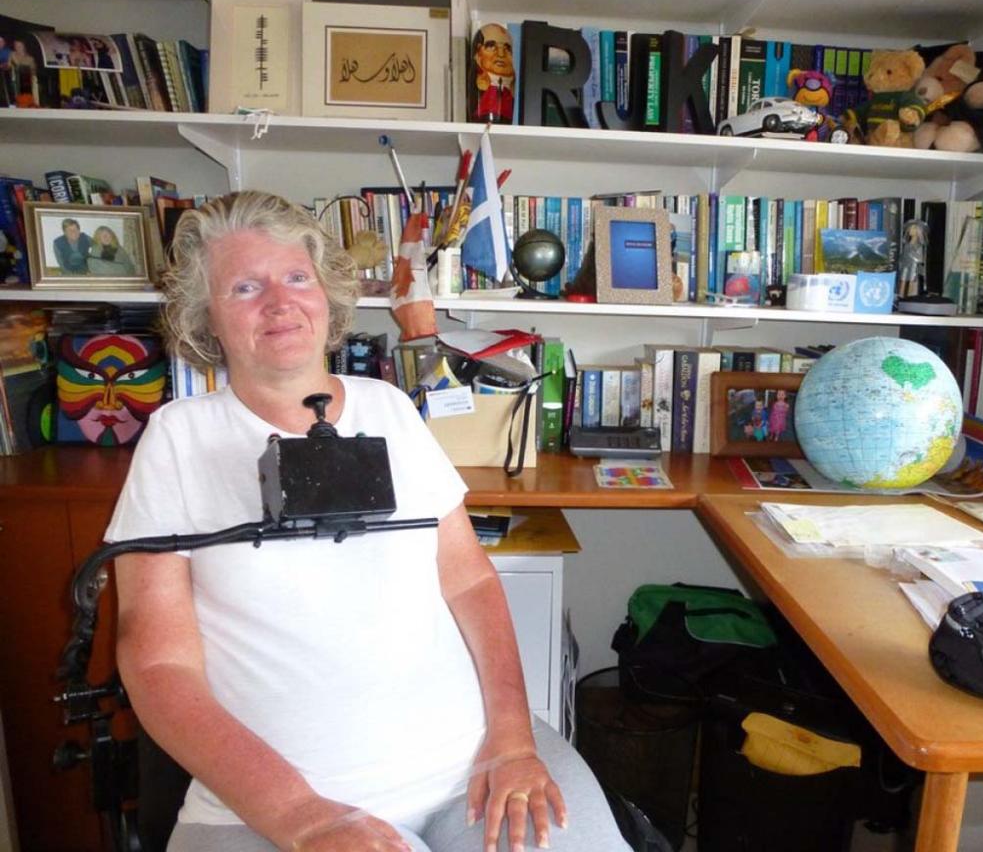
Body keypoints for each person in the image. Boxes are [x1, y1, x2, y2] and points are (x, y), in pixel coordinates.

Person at [107, 191, 629, 852]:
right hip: (271, 807)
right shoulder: (178, 440)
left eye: (297, 277)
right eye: (245, 286)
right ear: (205, 318)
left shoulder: (389, 410)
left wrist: (513, 738)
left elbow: (469, 583)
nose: (279, 300)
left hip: (471, 768)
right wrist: (301, 814)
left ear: (326, 297)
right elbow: (157, 663)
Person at [471, 23, 515, 124]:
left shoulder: (511, 87)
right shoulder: (478, 80)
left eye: (507, 48)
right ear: (478, 53)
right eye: (491, 46)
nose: (501, 54)